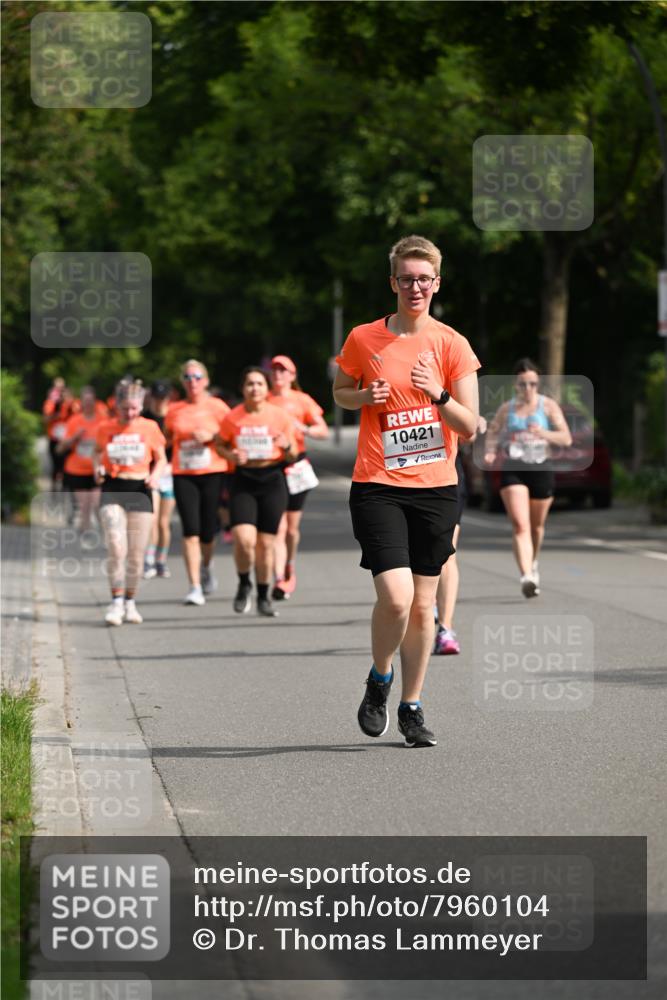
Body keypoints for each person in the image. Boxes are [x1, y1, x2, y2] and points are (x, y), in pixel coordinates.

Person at [333, 234, 480, 748]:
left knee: (423, 607)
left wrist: (437, 394)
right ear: (392, 282)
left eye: (424, 279)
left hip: (436, 488)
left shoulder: (451, 344)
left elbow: (471, 424)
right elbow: (340, 391)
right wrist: (362, 395)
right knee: (395, 599)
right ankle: (379, 678)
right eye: (406, 278)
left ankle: (412, 707)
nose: (415, 287)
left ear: (436, 283)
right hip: (378, 483)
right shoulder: (363, 338)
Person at [483, 358, 572, 597]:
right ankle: (526, 576)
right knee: (520, 525)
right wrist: (491, 451)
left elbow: (566, 438)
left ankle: (533, 563)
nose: (528, 388)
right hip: (514, 467)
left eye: (532, 383)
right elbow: (492, 433)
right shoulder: (507, 409)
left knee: (536, 527)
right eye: (523, 384)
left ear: (538, 383)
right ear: (516, 385)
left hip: (541, 468)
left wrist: (542, 432)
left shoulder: (548, 406)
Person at [215, 367, 297, 618]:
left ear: (266, 388)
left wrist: (287, 446)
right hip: (244, 479)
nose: (254, 388)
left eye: (259, 384)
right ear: (243, 389)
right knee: (243, 539)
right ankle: (243, 583)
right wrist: (231, 455)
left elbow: (293, 453)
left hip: (272, 479)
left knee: (266, 543)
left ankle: (262, 595)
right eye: (250, 384)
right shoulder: (233, 417)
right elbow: (220, 444)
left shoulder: (279, 416)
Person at [94, 379, 167, 626]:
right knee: (116, 547)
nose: (130, 413)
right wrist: (97, 469)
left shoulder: (150, 427)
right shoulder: (105, 428)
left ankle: (130, 602)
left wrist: (155, 476)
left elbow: (161, 459)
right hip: (113, 488)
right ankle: (115, 602)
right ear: (117, 405)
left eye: (135, 408)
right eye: (125, 408)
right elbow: (96, 453)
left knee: (136, 555)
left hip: (140, 489)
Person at [164, 360, 230, 606]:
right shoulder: (175, 410)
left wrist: (212, 437)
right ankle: (194, 587)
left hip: (212, 471)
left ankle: (206, 564)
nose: (193, 382)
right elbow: (167, 439)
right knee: (190, 530)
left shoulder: (218, 407)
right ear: (183, 382)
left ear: (206, 381)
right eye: (188, 377)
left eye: (197, 377)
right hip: (184, 473)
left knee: (207, 531)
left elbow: (231, 436)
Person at [268, 354, 329, 600]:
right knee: (278, 527)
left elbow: (322, 430)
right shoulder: (264, 400)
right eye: (274, 370)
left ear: (292, 376)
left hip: (296, 466)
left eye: (283, 371)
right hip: (271, 467)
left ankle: (289, 565)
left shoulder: (302, 400)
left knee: (292, 529)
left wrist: (303, 428)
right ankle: (278, 579)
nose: (278, 375)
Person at [57, 386, 106, 543]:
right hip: (76, 470)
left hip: (96, 469)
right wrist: (75, 437)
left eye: (91, 401)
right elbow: (61, 447)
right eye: (85, 401)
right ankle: (85, 533)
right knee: (84, 505)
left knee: (97, 502)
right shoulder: (74, 421)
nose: (88, 404)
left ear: (95, 402)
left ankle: (103, 532)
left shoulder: (103, 420)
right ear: (81, 403)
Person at [142, 380, 175, 579]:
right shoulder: (145, 418)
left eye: (163, 398)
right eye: (156, 397)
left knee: (164, 522)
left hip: (170, 472)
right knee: (152, 520)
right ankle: (149, 559)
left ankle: (161, 561)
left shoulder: (173, 417)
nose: (159, 401)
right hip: (152, 472)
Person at [43, 378, 78, 490]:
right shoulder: (51, 403)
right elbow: (46, 419)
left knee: (66, 465)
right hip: (54, 439)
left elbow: (78, 416)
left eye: (61, 388)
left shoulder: (72, 403)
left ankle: (66, 487)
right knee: (56, 465)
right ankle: (54, 488)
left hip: (68, 440)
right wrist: (56, 412)